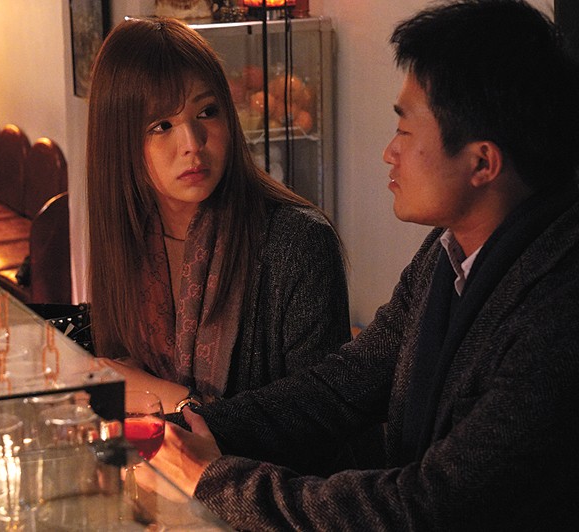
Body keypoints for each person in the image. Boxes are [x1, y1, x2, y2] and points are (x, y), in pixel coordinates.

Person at [149, 1, 579, 529]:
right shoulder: (449, 251)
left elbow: (427, 506)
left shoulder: (556, 312)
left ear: (482, 162)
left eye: (405, 131)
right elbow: (345, 384)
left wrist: (212, 478)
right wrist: (188, 429)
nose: (388, 152)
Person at [85, 17, 354, 426]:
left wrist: (171, 399)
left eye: (207, 112)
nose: (192, 144)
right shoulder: (130, 235)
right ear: (119, 140)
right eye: (162, 125)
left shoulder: (299, 243)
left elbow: (317, 427)